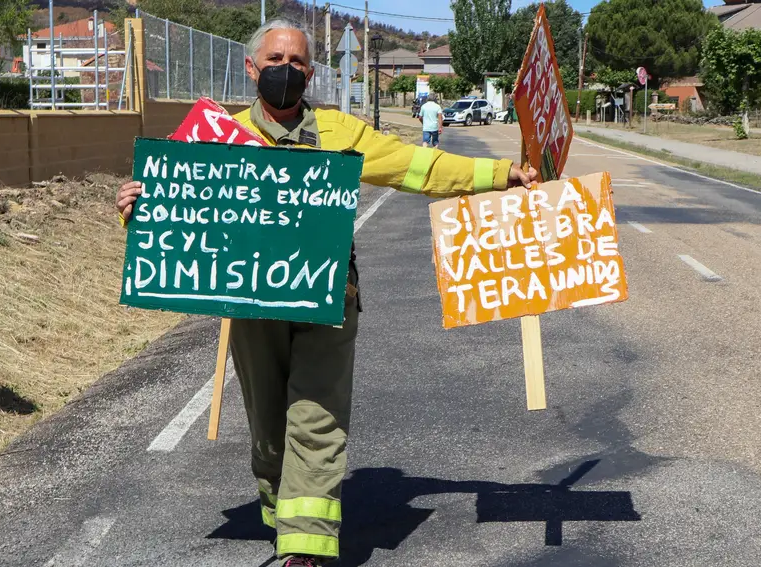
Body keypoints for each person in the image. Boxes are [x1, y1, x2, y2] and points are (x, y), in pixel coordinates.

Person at [115, 19, 537, 567]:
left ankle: (304, 548)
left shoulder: (341, 132)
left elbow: (419, 167)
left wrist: (500, 174)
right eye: (274, 61)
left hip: (328, 296)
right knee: (268, 427)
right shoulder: (214, 138)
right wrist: (136, 211)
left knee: (315, 419)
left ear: (311, 72)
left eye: (296, 63)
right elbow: (178, 216)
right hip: (251, 304)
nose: (285, 72)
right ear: (251, 68)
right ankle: (280, 505)